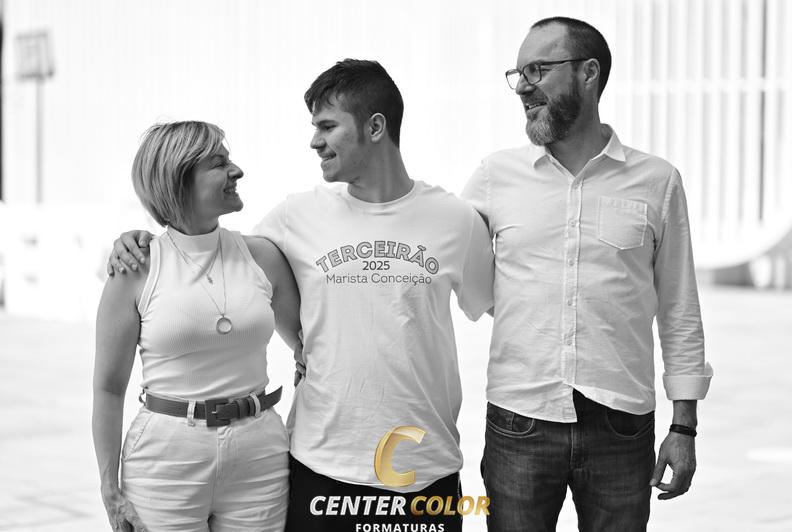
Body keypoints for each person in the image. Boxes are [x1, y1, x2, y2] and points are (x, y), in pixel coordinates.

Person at [108, 60, 495, 531]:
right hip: (321, 465)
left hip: (424, 466)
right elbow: (203, 247)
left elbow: (497, 307)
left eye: (328, 127)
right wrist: (140, 239)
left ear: (375, 127)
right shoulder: (294, 217)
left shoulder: (455, 220)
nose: (315, 141)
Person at [462, 17, 713, 532]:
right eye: (518, 74)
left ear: (588, 73)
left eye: (537, 70)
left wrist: (684, 426)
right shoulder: (494, 177)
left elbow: (679, 306)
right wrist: (525, 311)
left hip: (622, 425)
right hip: (519, 420)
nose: (522, 87)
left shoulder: (657, 181)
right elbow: (460, 270)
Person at [93, 121, 300, 532]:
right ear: (178, 180)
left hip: (259, 456)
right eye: (219, 163)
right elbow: (108, 387)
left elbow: (309, 349)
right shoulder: (136, 268)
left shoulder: (262, 257)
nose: (236, 170)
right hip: (165, 461)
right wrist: (109, 487)